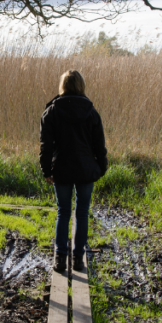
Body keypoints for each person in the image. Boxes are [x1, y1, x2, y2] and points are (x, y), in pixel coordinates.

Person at [40, 70, 108, 273]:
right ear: (81, 85)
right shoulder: (91, 112)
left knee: (63, 212)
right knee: (82, 213)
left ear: (63, 86)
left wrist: (46, 169)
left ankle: (60, 258)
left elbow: (46, 146)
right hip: (86, 170)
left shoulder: (51, 112)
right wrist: (101, 167)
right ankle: (78, 259)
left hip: (61, 168)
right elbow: (99, 145)